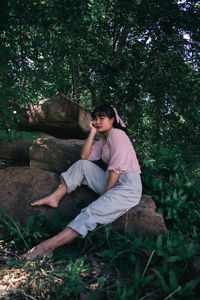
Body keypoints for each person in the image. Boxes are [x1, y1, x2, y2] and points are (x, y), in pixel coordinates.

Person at [22, 104, 142, 260]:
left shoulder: (117, 135)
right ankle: (55, 197)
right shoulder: (104, 139)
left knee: (90, 212)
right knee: (82, 165)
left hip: (127, 186)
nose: (97, 121)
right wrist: (92, 132)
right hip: (112, 181)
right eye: (95, 119)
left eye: (102, 118)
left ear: (112, 120)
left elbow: (116, 169)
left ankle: (46, 247)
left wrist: (105, 194)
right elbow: (85, 157)